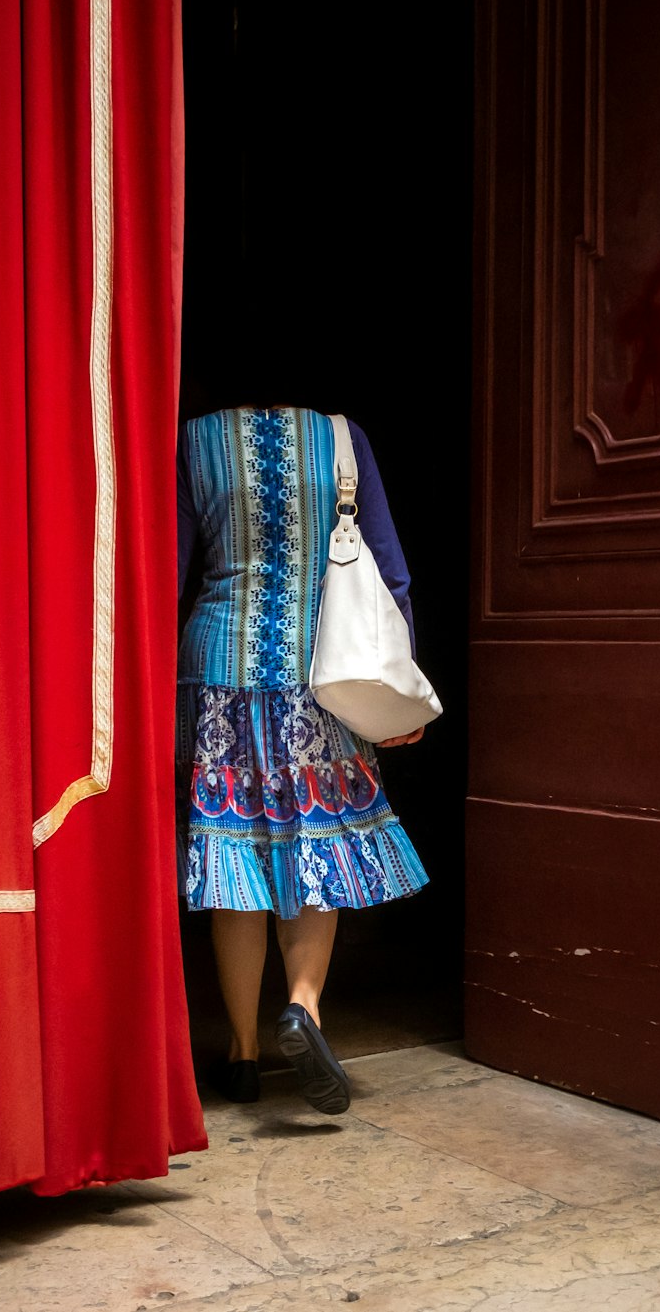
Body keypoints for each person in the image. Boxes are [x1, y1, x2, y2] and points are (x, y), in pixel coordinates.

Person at [176, 403, 430, 1115]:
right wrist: (397, 682)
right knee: (314, 841)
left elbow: (169, 567)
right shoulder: (345, 437)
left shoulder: (195, 441)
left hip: (221, 666)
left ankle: (244, 1054)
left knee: (235, 852)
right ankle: (303, 1006)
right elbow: (387, 566)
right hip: (325, 673)